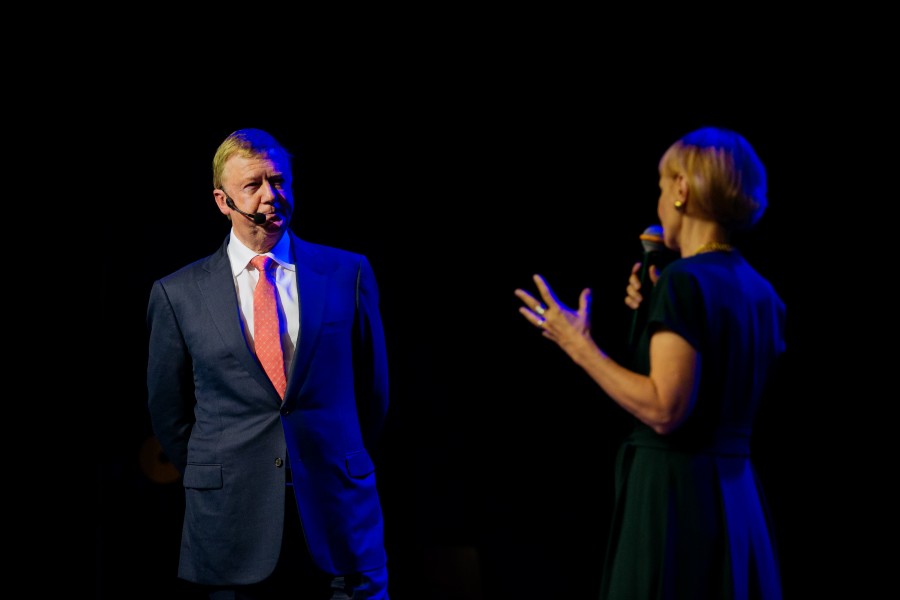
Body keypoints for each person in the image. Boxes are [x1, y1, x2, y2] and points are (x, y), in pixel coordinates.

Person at [514, 126, 785, 599]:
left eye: (661, 187)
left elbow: (664, 409)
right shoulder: (761, 290)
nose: (658, 203)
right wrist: (659, 310)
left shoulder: (685, 282)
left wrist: (578, 345)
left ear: (682, 189)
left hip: (678, 498)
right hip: (736, 498)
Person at [146, 128, 390, 599]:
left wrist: (337, 455)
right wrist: (225, 469)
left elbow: (373, 392)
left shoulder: (348, 273)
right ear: (223, 201)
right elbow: (169, 414)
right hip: (231, 526)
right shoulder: (177, 294)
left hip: (339, 518)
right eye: (252, 185)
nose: (270, 196)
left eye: (278, 181)